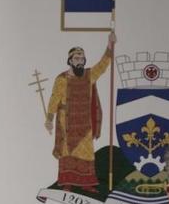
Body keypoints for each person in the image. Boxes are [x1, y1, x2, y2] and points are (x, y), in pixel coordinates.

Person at [45, 32, 116, 192]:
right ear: (70, 60)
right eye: (77, 59)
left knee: (87, 153)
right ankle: (67, 183)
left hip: (85, 123)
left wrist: (109, 46)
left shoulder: (89, 75)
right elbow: (54, 99)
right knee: (67, 153)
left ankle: (86, 184)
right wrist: (49, 119)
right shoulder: (61, 79)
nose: (80, 62)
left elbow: (103, 65)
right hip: (67, 123)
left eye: (82, 59)